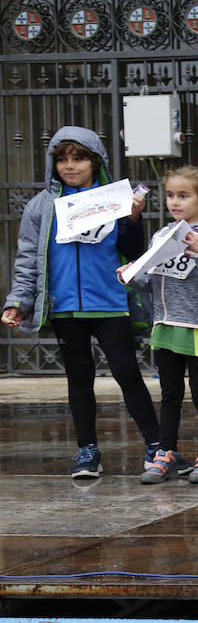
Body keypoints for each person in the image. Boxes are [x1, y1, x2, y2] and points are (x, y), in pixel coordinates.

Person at [2, 126, 161, 479]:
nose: (70, 166)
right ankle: (87, 451)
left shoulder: (114, 199)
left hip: (110, 303)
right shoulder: (41, 206)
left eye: (79, 158)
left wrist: (133, 217)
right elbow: (27, 259)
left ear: (96, 161)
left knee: (127, 374)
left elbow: (135, 253)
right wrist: (18, 302)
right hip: (65, 307)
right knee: (78, 377)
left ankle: (156, 447)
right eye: (62, 159)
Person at [118, 166, 198, 483]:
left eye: (183, 195)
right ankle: (166, 451)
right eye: (169, 195)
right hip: (163, 324)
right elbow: (151, 282)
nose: (175, 202)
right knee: (170, 394)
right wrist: (131, 276)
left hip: (197, 326)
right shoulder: (160, 235)